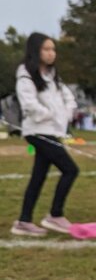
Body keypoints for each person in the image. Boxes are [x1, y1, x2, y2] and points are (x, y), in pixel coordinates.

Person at [11, 33, 79, 236]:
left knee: (38, 177)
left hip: (53, 131)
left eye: (53, 49)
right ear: (36, 51)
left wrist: (65, 115)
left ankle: (24, 221)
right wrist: (50, 116)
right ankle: (55, 215)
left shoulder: (52, 74)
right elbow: (29, 104)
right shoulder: (25, 74)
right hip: (38, 131)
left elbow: (68, 97)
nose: (51, 54)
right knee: (70, 170)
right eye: (46, 49)